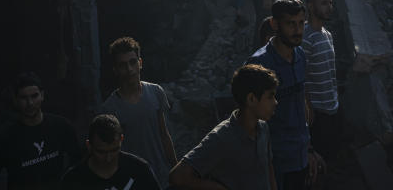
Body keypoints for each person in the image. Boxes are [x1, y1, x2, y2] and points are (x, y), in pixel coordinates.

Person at [246, 0, 324, 190]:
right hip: (274, 161)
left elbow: (300, 107)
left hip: (299, 155)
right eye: (291, 24)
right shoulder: (260, 64)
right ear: (275, 24)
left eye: (301, 23)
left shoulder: (300, 56)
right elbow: (249, 120)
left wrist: (309, 148)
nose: (297, 30)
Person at [168, 64, 279, 190]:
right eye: (270, 96)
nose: (275, 102)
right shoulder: (222, 137)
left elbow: (268, 169)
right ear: (251, 99)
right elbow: (177, 176)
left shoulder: (263, 129)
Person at [0, 73, 82, 190]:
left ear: (42, 95)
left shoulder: (61, 127)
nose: (30, 103)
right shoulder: (6, 138)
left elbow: (78, 162)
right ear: (15, 100)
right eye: (24, 98)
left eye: (34, 96)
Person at [100, 38, 176, 185]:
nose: (129, 69)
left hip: (162, 176)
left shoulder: (156, 92)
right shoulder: (109, 108)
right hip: (134, 181)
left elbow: (164, 134)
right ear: (115, 69)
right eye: (123, 65)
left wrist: (175, 166)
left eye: (133, 62)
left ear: (140, 63)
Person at [61, 114, 161, 189]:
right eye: (101, 152)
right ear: (89, 145)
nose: (108, 158)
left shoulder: (140, 170)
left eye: (114, 150)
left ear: (121, 140)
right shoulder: (73, 180)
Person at [302, 0, 340, 164]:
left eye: (330, 3)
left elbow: (331, 74)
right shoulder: (304, 37)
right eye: (324, 3)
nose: (329, 7)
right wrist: (308, 109)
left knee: (330, 158)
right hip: (316, 112)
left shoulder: (327, 35)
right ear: (310, 7)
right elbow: (300, 77)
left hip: (332, 108)